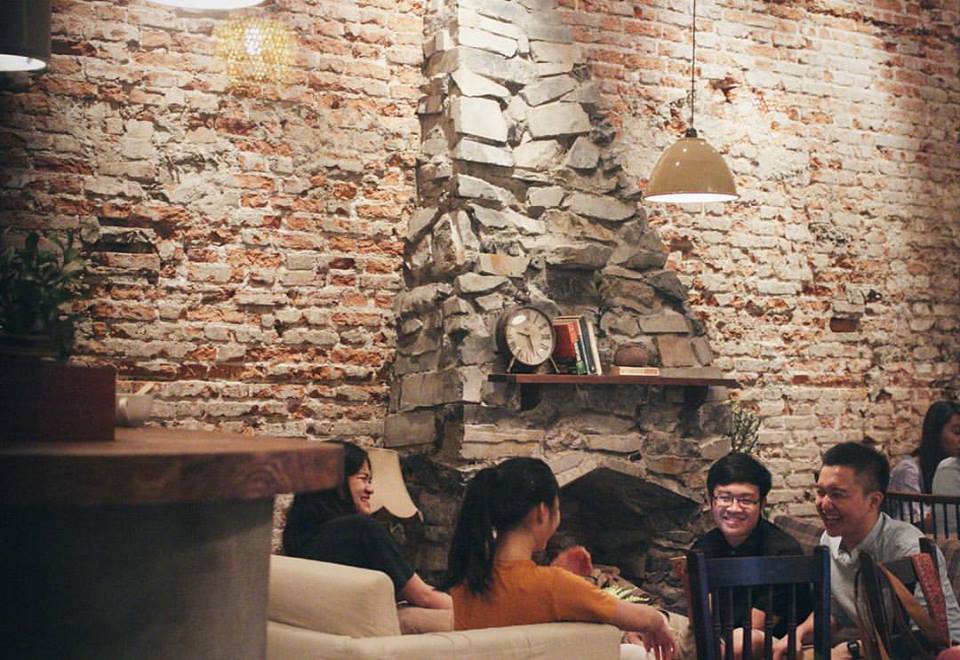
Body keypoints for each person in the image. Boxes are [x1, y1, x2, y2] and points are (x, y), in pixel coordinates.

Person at [444, 456, 675, 660]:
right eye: (557, 507)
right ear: (542, 512)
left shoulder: (465, 582)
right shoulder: (553, 586)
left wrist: (557, 573)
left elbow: (524, 611)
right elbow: (642, 618)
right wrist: (659, 622)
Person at [773, 442, 960, 660]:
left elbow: (931, 635)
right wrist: (797, 634)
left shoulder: (908, 547)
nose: (824, 504)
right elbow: (836, 612)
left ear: (873, 501)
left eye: (837, 494)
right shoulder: (829, 540)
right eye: (821, 492)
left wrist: (854, 649)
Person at [283, 441, 452, 610]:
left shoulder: (298, 537)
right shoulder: (361, 529)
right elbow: (424, 597)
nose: (370, 489)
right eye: (363, 479)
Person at [691, 453, 811, 655]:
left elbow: (756, 627)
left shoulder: (782, 553)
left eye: (745, 500)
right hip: (720, 638)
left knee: (740, 641)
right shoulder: (704, 547)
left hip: (773, 642)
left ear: (762, 504)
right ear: (711, 501)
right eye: (725, 498)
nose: (734, 508)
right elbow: (700, 614)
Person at [890, 400, 960, 500]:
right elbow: (911, 510)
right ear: (935, 433)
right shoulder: (909, 471)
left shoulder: (954, 468)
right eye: (957, 432)